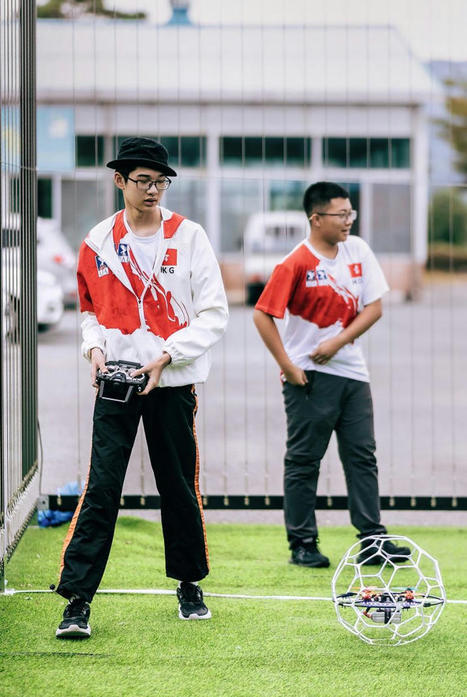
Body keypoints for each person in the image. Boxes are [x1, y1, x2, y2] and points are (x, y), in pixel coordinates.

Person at [53, 137, 228, 638]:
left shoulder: (189, 236)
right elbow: (89, 311)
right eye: (143, 180)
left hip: (172, 380)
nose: (153, 189)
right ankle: (77, 600)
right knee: (102, 487)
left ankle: (189, 584)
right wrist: (95, 351)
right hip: (116, 382)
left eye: (160, 180)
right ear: (120, 181)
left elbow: (214, 313)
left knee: (177, 484)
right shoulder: (98, 241)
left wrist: (168, 355)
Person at [253, 181, 410, 568]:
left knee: (362, 456)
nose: (348, 221)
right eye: (341, 214)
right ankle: (302, 543)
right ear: (316, 218)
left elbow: (374, 308)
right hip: (307, 378)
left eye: (350, 213)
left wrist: (337, 343)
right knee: (305, 460)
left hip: (353, 374)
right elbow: (262, 315)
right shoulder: (295, 262)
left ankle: (372, 540)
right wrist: (288, 367)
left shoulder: (357, 251)